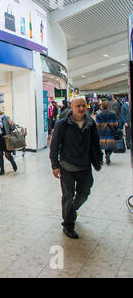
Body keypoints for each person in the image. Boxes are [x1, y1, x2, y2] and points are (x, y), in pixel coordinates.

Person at [50, 97, 103, 239]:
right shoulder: (62, 124)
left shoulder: (90, 123)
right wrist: (55, 165)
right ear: (71, 107)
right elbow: (54, 145)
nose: (81, 108)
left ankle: (71, 212)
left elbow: (95, 143)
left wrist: (98, 160)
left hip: (85, 166)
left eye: (83, 105)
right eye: (78, 106)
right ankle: (68, 225)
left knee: (85, 192)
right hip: (67, 166)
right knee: (68, 196)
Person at [0, 106, 17, 176]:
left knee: (7, 155)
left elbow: (13, 127)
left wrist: (12, 123)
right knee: (0, 155)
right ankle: (2, 170)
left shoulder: (5, 118)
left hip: (6, 139)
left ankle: (13, 163)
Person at [96, 101, 118, 166]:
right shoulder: (112, 113)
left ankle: (105, 155)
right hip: (110, 130)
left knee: (104, 144)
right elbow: (115, 123)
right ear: (108, 106)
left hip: (102, 131)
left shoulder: (98, 114)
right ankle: (108, 154)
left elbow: (97, 124)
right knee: (110, 145)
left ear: (102, 106)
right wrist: (115, 128)